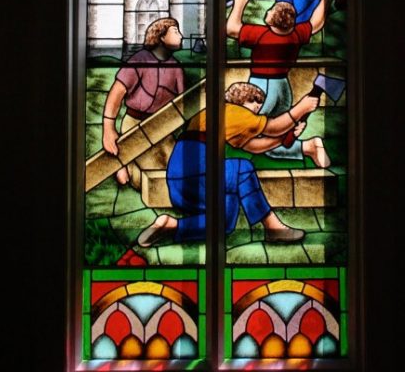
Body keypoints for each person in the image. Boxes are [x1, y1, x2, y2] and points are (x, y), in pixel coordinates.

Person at [136, 82, 320, 248]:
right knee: (243, 168)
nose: (255, 115)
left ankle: (171, 225)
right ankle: (273, 228)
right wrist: (301, 108)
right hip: (196, 171)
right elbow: (273, 127)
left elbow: (254, 146)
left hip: (183, 186)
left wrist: (284, 139)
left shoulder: (224, 121)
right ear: (243, 101)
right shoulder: (229, 111)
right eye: (255, 108)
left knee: (224, 222)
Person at [227, 0, 335, 166]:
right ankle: (309, 147)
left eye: (270, 10)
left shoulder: (262, 35)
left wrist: (239, 3)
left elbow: (231, 29)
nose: (268, 11)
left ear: (273, 19)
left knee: (253, 135)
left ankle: (308, 147)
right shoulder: (296, 35)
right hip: (283, 87)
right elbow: (316, 23)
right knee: (280, 130)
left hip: (262, 87)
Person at [102, 17, 184, 187]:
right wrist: (108, 130)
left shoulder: (176, 67)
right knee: (147, 177)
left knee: (176, 168)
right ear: (161, 36)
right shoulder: (140, 60)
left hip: (163, 127)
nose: (181, 36)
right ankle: (124, 164)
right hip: (135, 124)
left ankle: (125, 163)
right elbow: (116, 93)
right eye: (176, 32)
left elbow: (183, 102)